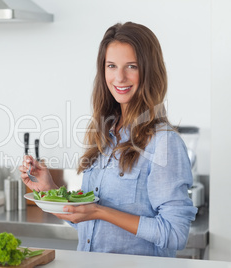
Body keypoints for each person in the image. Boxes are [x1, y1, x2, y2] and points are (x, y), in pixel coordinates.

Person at [19, 22, 197, 257]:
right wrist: (50, 189)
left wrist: (100, 212)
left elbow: (175, 234)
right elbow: (88, 224)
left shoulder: (163, 142)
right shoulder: (105, 132)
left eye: (131, 66)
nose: (119, 77)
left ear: (150, 71)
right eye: (111, 66)